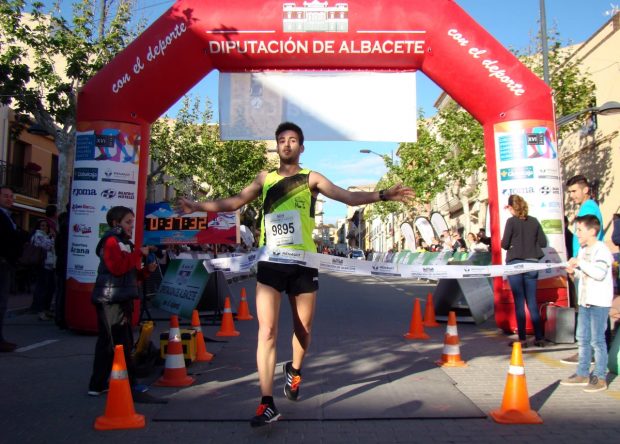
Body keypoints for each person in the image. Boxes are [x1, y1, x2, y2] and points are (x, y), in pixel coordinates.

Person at [178, 122, 414, 427]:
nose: (287, 145)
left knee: (303, 330)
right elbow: (234, 202)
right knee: (267, 332)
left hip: (303, 263)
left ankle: (295, 370)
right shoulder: (265, 178)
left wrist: (382, 195)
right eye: (281, 140)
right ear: (277, 146)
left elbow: (347, 197)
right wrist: (197, 205)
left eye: (292, 140)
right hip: (271, 263)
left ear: (301, 147)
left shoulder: (311, 178)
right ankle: (266, 403)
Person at [87, 206, 162, 403]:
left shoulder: (124, 243)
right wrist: (139, 253)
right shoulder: (112, 241)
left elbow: (129, 274)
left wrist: (146, 271)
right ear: (116, 223)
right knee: (120, 343)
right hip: (111, 299)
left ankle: (98, 384)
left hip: (118, 296)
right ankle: (130, 384)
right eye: (128, 222)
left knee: (108, 343)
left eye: (132, 222)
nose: (131, 226)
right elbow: (118, 268)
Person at [560, 215, 613, 392]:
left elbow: (598, 273)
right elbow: (583, 275)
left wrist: (580, 264)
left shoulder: (601, 250)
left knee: (598, 340)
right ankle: (582, 373)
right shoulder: (583, 250)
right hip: (585, 301)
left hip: (599, 302)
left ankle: (600, 376)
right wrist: (573, 273)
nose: (577, 234)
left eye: (580, 230)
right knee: (582, 339)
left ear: (592, 231)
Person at [562, 174, 604, 364]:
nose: (572, 195)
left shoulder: (589, 208)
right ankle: (587, 351)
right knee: (587, 310)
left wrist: (578, 261)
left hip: (586, 265)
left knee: (589, 310)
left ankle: (589, 353)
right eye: (570, 192)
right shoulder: (588, 207)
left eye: (574, 191)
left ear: (585, 189)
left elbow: (588, 237)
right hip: (583, 264)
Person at [501, 194, 547, 348]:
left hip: (515, 264)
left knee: (519, 303)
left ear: (512, 207)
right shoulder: (533, 221)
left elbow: (504, 243)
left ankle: (522, 339)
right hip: (532, 263)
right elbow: (543, 242)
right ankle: (539, 337)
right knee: (532, 302)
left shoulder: (511, 222)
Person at [0, 186, 26, 352]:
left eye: (11, 196)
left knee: (2, 302)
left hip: (7, 262)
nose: (10, 199)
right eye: (5, 196)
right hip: (2, 262)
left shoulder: (9, 217)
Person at [30, 219, 56, 321]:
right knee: (42, 288)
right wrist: (52, 238)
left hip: (50, 265)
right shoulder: (38, 235)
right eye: (42, 226)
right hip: (43, 265)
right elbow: (47, 245)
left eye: (45, 226)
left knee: (50, 288)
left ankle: (46, 309)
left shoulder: (46, 235)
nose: (43, 228)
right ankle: (40, 310)